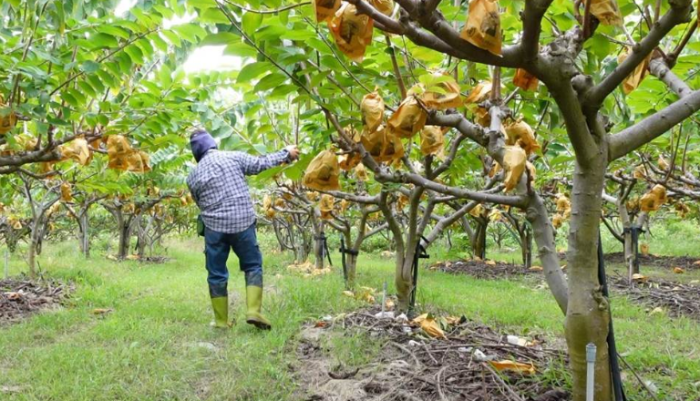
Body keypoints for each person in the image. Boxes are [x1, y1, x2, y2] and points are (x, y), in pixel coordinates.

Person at [186, 129, 300, 330]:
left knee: (216, 273)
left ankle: (221, 322)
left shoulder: (193, 176)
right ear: (213, 144)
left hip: (214, 227)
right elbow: (260, 164)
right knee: (252, 265)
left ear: (196, 153)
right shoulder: (232, 157)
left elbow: (199, 202)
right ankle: (253, 311)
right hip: (242, 223)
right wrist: (286, 153)